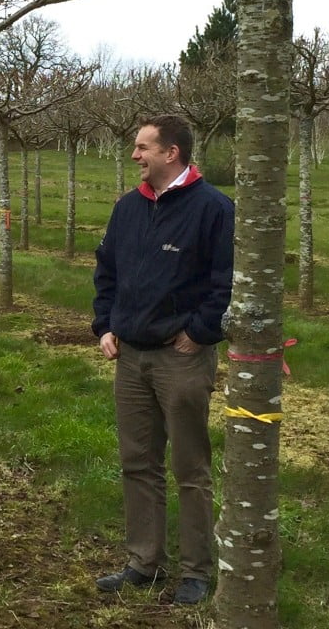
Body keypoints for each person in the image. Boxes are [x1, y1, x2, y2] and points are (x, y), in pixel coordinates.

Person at [91, 114, 235, 607]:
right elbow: (105, 270)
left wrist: (200, 332)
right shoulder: (128, 208)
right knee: (138, 462)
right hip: (130, 358)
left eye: (143, 147)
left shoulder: (213, 209)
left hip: (181, 359)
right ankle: (143, 561)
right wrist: (105, 325)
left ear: (171, 153)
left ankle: (196, 570)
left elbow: (226, 281)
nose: (135, 155)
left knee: (190, 466)